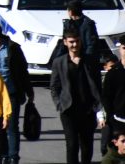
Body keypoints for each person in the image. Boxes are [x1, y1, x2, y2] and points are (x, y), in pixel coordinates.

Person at [50, 28, 105, 164]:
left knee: (87, 146)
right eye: (71, 42)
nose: (74, 45)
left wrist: (99, 109)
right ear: (65, 42)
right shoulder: (59, 62)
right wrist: (59, 104)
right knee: (72, 144)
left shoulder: (90, 61)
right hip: (68, 110)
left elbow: (97, 85)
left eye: (77, 41)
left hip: (87, 110)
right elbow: (54, 86)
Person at [0, 23, 34, 164]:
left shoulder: (13, 48)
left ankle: (13, 157)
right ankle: (3, 154)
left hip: (12, 93)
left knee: (11, 125)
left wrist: (29, 91)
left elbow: (23, 71)